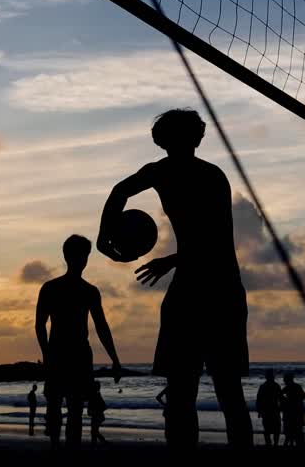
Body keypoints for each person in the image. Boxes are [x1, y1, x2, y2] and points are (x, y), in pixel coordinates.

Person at [99, 109, 252, 448]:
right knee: (202, 391)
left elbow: (216, 239)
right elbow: (119, 192)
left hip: (216, 286)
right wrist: (103, 234)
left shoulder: (201, 176)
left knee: (212, 391)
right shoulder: (175, 173)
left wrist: (169, 258)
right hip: (208, 287)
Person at [35, 234, 121, 449]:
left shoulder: (76, 290)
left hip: (72, 354)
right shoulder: (79, 290)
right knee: (66, 407)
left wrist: (115, 358)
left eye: (85, 256)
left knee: (66, 407)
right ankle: (62, 448)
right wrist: (47, 354)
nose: (83, 260)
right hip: (71, 354)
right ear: (70, 257)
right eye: (81, 256)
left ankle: (63, 449)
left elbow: (102, 327)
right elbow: (40, 324)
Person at [255, 370, 283, 447]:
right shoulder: (276, 386)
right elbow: (280, 398)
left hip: (266, 410)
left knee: (267, 429)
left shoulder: (263, 386)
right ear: (272, 377)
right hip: (274, 410)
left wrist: (259, 410)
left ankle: (269, 444)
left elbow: (258, 399)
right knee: (276, 429)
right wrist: (281, 408)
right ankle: (275, 444)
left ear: (266, 377)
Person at [282, 373, 305, 448]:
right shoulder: (297, 386)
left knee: (290, 432)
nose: (284, 381)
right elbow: (304, 397)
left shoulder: (288, 387)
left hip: (292, 412)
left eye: (285, 380)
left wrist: (287, 400)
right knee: (296, 431)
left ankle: (289, 445)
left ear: (287, 380)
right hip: (298, 411)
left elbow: (279, 394)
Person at [88, 381, 107, 446]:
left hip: (97, 416)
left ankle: (102, 442)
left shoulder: (96, 395)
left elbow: (104, 406)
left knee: (94, 431)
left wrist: (96, 411)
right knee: (94, 431)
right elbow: (104, 406)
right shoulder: (96, 395)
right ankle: (95, 443)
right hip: (97, 416)